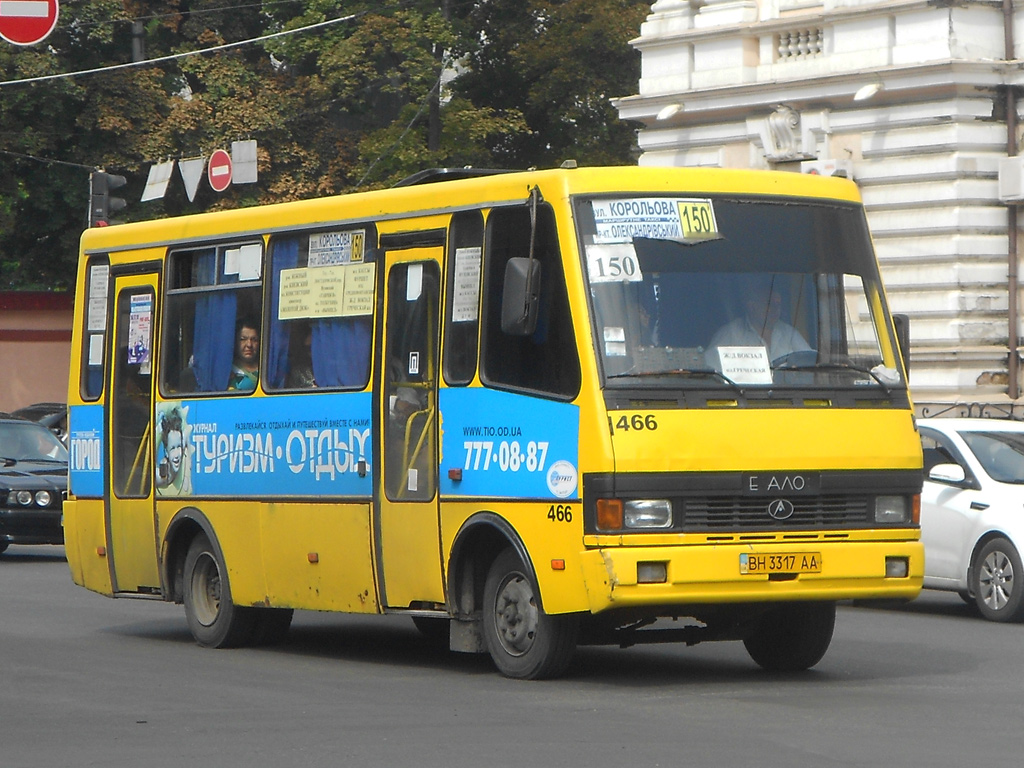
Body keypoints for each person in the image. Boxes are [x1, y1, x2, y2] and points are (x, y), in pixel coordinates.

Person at [707, 280, 811, 367]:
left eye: (778, 304)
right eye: (769, 304)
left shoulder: (789, 333)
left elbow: (810, 362)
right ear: (751, 306)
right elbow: (711, 369)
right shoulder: (731, 334)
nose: (775, 309)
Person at [155, 409, 192, 495]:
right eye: (172, 448)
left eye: (178, 447)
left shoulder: (182, 444)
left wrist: (189, 461)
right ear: (166, 453)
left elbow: (186, 436)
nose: (177, 455)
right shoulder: (161, 477)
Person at [228, 318, 260, 391]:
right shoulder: (228, 371)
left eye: (254, 340)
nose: (249, 344)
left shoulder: (269, 372)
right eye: (243, 339)